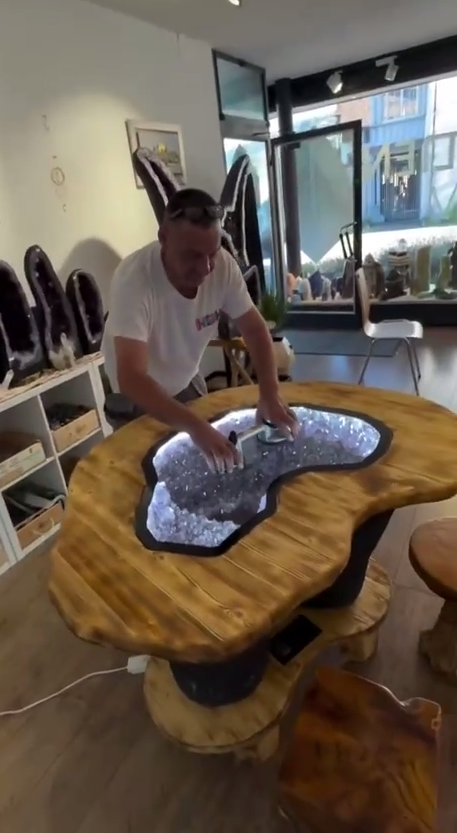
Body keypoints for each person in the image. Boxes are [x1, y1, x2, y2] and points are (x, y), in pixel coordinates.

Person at [102, 187, 298, 472]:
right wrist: (196, 427)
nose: (205, 268)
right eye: (192, 256)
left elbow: (255, 330)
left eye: (212, 254)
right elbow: (131, 377)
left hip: (186, 378)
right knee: (144, 478)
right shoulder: (133, 280)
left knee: (205, 467)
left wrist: (269, 394)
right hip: (137, 396)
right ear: (164, 238)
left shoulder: (223, 267)